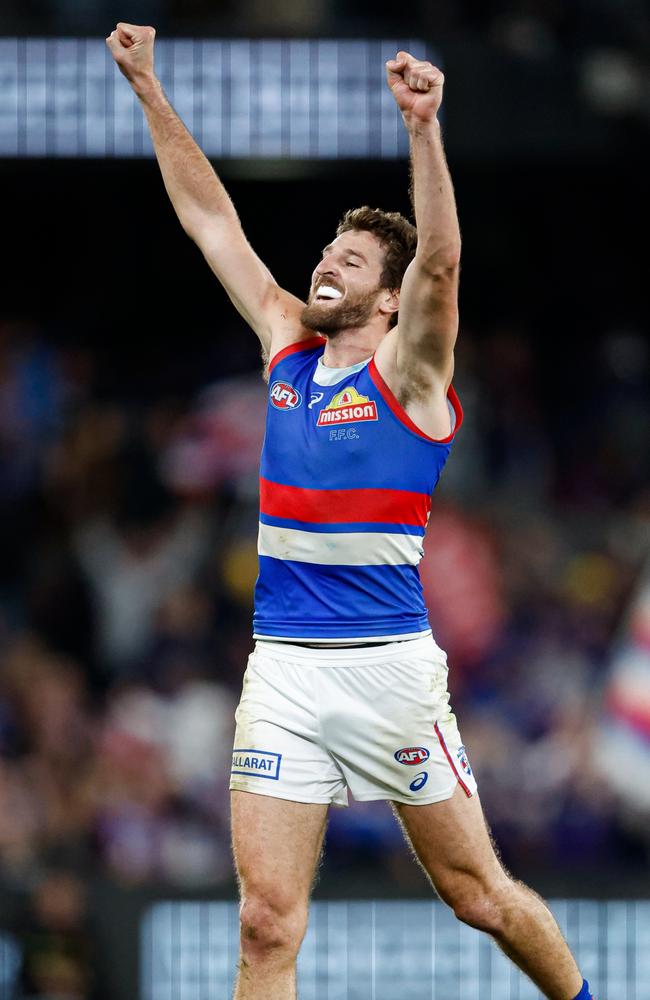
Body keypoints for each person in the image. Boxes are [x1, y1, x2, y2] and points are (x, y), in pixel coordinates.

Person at [107, 24, 595, 1000]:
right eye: (328, 248)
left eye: (352, 261)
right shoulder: (286, 344)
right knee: (262, 923)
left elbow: (443, 267)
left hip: (387, 673)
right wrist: (148, 87)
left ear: (387, 302)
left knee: (478, 896)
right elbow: (211, 220)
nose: (326, 263)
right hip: (284, 666)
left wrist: (423, 130)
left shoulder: (410, 376)